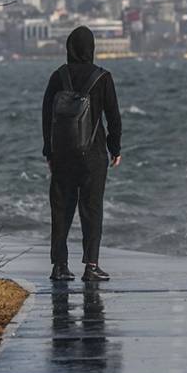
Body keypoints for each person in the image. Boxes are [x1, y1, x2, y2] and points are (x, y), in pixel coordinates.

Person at [41, 26, 122, 283]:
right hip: (93, 154)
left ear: (69, 48)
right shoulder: (102, 77)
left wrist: (49, 151)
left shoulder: (58, 76)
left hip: (62, 154)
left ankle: (59, 265)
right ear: (91, 49)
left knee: (61, 209)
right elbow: (114, 117)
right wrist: (115, 148)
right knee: (92, 209)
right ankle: (91, 266)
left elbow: (47, 115)